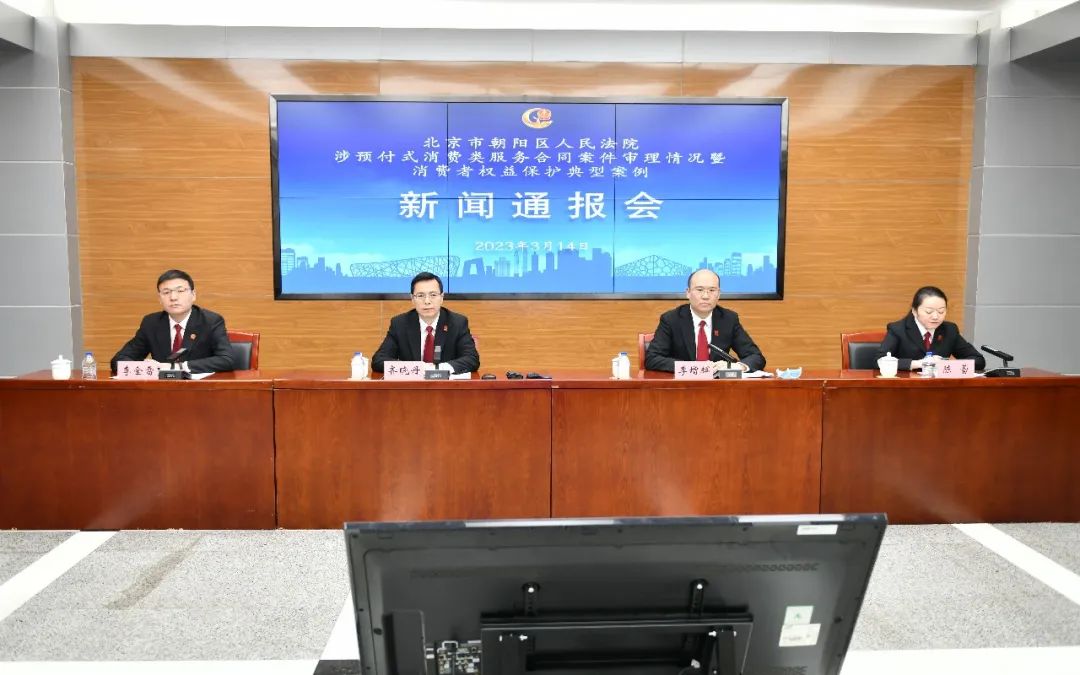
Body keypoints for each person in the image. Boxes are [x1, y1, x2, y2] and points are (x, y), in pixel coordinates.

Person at [110, 269, 235, 374]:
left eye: (180, 291)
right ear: (160, 299)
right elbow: (118, 361)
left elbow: (227, 360)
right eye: (166, 292)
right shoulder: (151, 323)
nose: (173, 297)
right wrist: (146, 368)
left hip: (200, 389)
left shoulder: (210, 321)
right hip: (162, 390)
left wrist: (177, 367)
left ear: (193, 295)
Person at [645, 268, 766, 373]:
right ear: (688, 293)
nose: (706, 296)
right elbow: (652, 359)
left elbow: (756, 357)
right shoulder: (671, 319)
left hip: (718, 387)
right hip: (681, 386)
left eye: (712, 290)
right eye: (699, 290)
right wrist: (695, 368)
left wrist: (737, 366)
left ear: (719, 294)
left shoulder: (728, 319)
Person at [372, 272, 480, 374]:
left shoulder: (457, 323)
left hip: (446, 386)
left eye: (433, 295)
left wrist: (438, 369)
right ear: (412, 299)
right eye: (420, 296)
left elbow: (472, 359)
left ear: (442, 297)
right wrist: (416, 369)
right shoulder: (400, 324)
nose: (427, 301)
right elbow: (378, 360)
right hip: (412, 385)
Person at [877, 286, 985, 371]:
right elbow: (879, 361)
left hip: (940, 388)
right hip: (907, 387)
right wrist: (918, 364)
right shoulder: (898, 329)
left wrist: (947, 364)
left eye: (941, 311)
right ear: (914, 311)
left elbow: (978, 360)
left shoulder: (949, 330)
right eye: (929, 312)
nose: (935, 316)